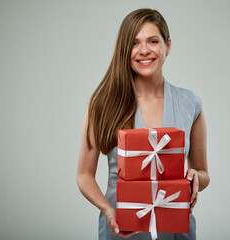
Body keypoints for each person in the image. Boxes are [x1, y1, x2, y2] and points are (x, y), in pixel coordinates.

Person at [76, 8, 210, 240]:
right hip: (121, 228)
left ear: (168, 46)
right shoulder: (103, 104)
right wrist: (108, 210)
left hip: (177, 230)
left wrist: (196, 177)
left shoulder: (191, 103)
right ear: (124, 50)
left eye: (153, 41)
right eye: (134, 43)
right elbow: (84, 174)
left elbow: (203, 173)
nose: (144, 50)